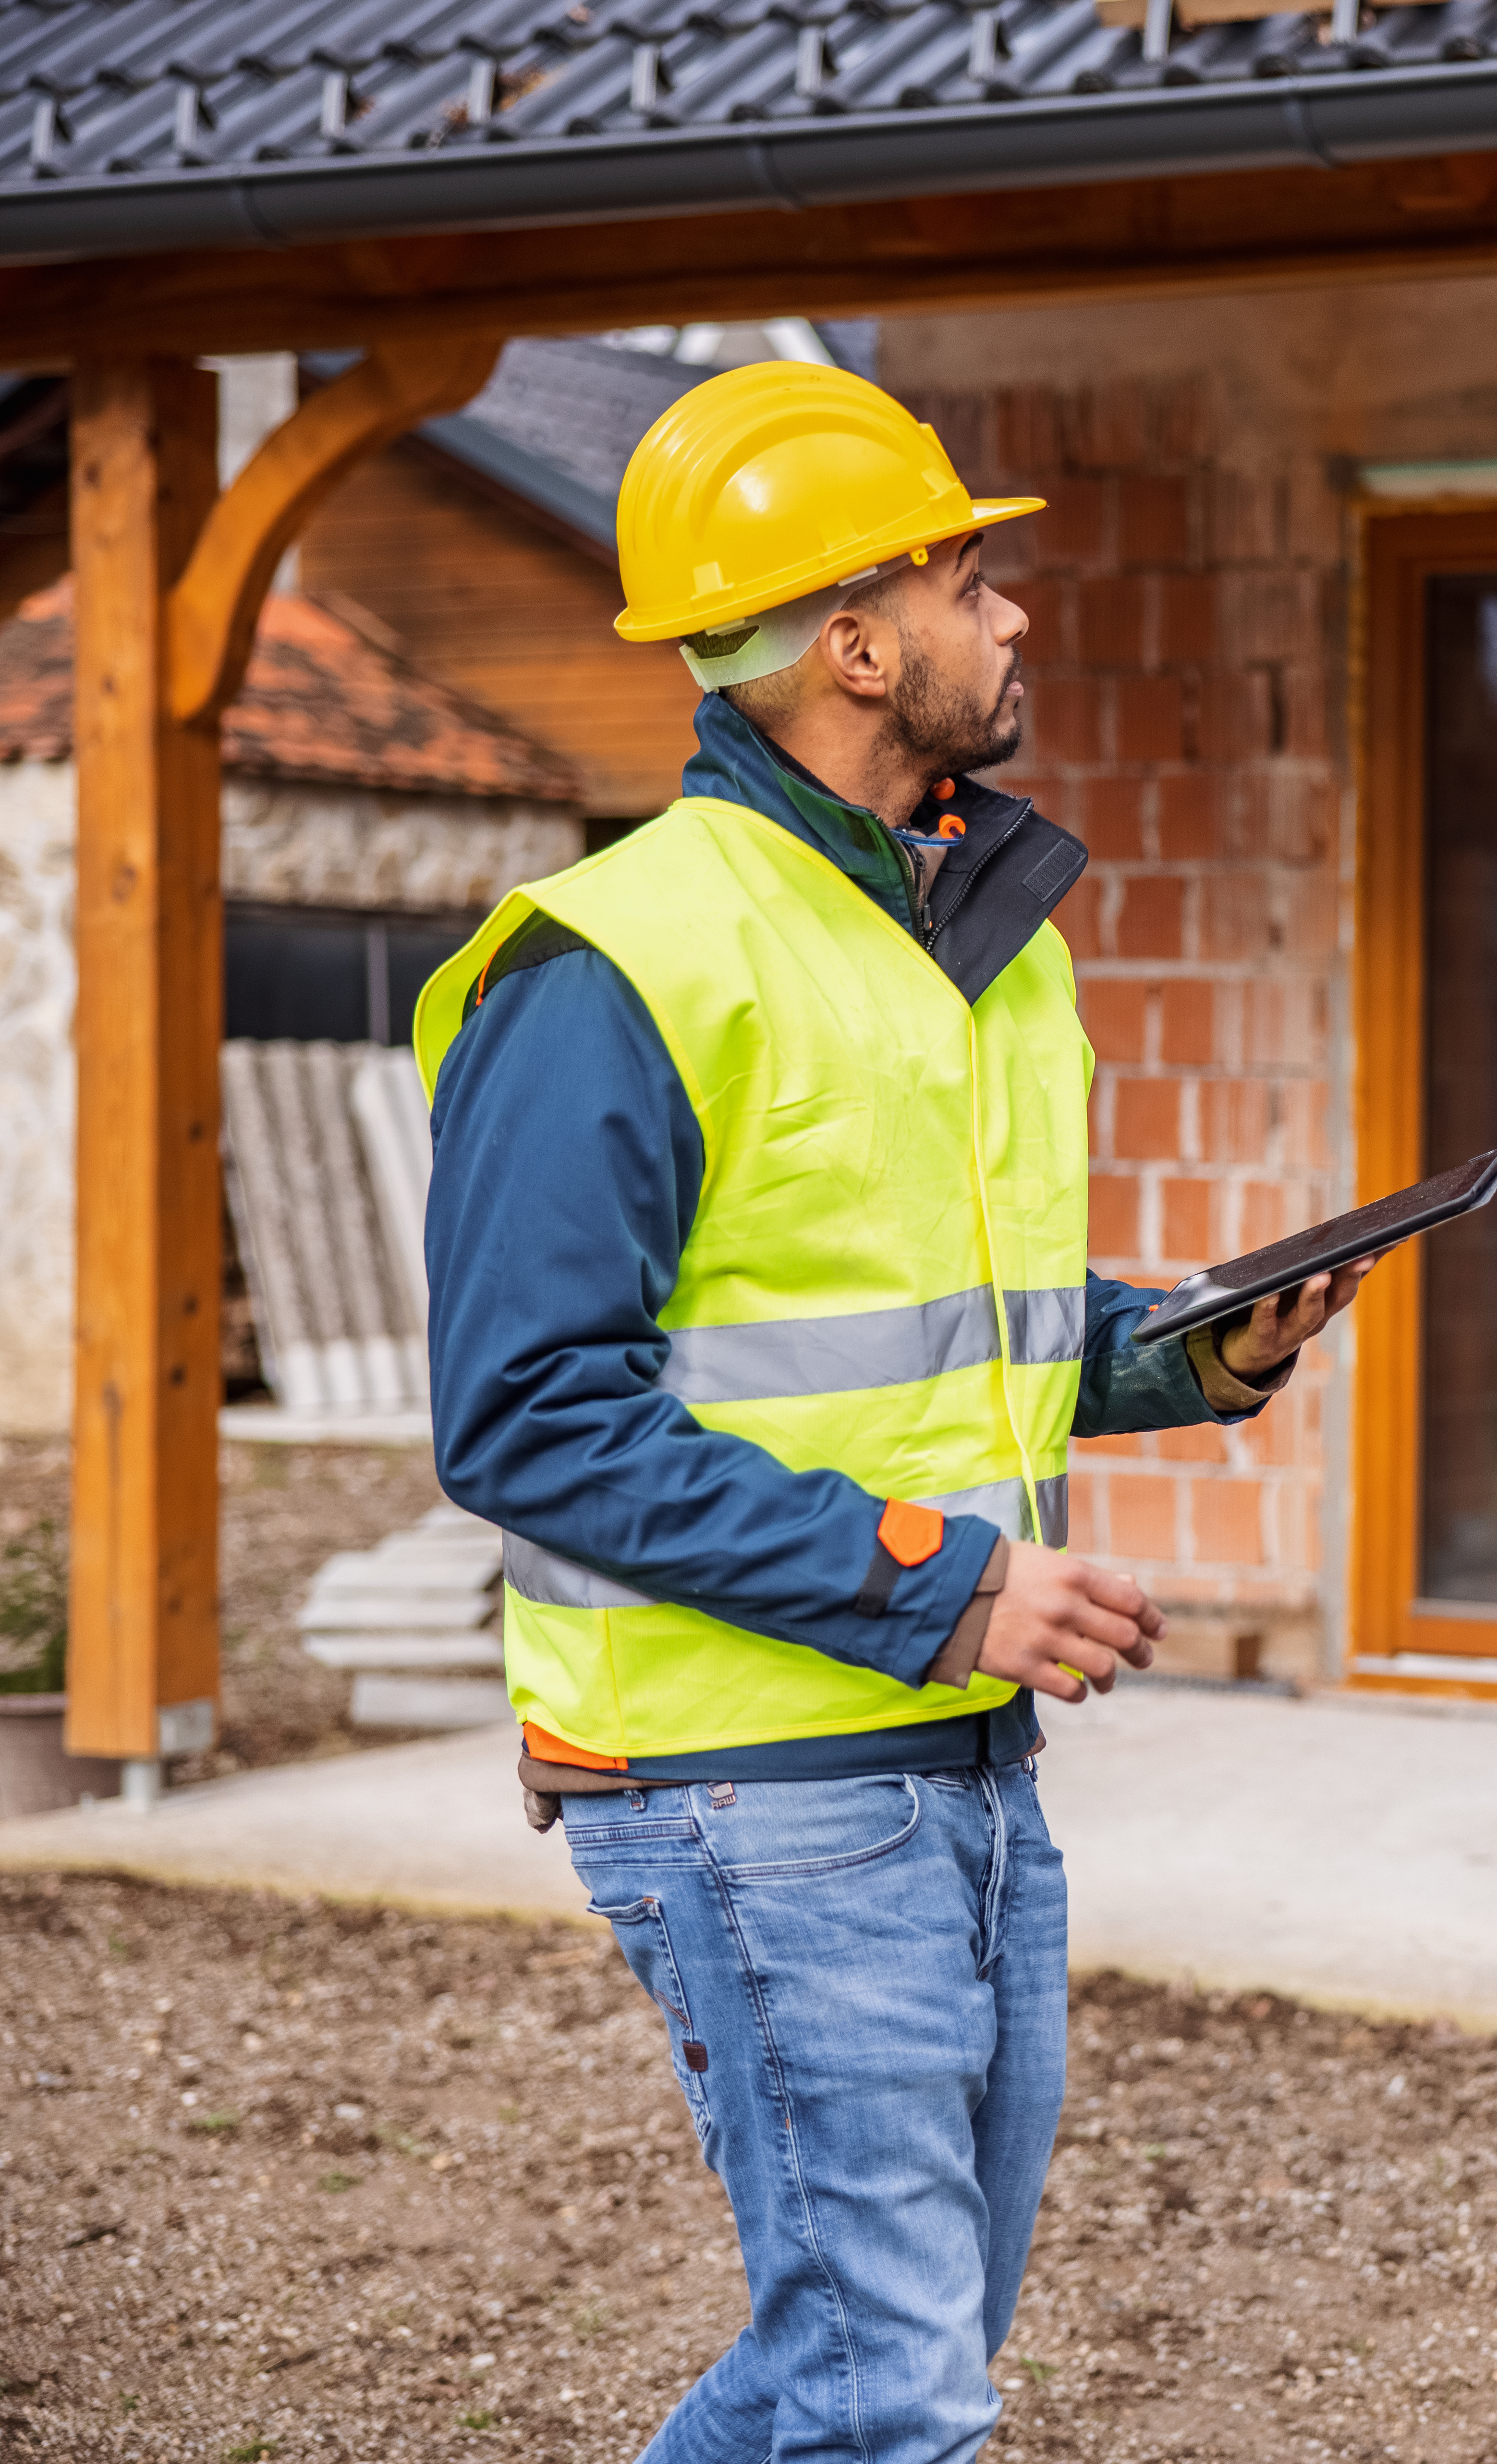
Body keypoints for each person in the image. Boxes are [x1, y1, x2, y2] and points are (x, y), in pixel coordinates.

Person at [412, 359, 1366, 2463]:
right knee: (893, 2386)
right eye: (963, 575)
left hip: (950, 1755)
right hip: (748, 1774)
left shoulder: (968, 935)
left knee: (872, 2365)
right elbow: (525, 1416)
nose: (1009, 614)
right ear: (851, 641)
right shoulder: (612, 961)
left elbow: (938, 1336)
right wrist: (939, 1582)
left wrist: (1192, 1349)